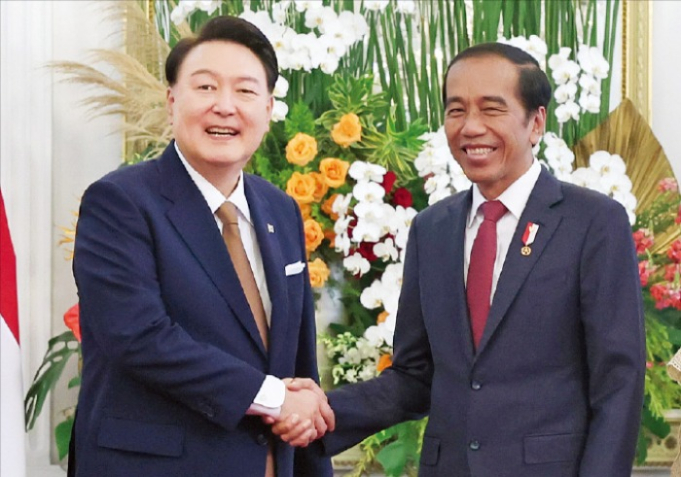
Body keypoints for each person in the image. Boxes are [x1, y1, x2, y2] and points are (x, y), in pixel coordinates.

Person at [283, 42, 646, 476]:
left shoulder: (592, 222)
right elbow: (414, 379)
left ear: (536, 122)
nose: (471, 127)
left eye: (491, 109)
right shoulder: (432, 229)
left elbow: (618, 384)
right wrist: (323, 409)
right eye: (456, 110)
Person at [68, 16, 333, 477]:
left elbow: (295, 359)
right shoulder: (120, 202)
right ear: (172, 102)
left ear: (268, 109)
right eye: (206, 88)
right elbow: (139, 337)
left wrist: (304, 420)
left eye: (246, 91)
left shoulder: (281, 211)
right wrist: (276, 397)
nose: (225, 107)